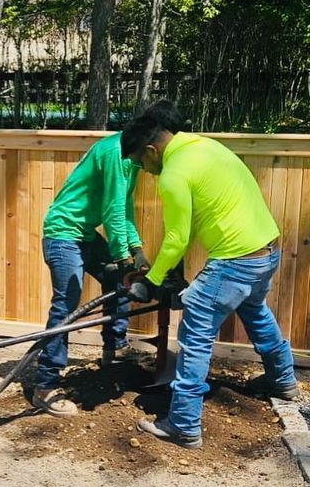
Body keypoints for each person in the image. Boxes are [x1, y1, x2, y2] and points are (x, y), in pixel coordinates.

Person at [121, 101, 299, 449]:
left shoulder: (173, 173)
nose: (145, 170)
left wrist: (150, 280)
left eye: (141, 162)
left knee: (195, 334)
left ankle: (184, 424)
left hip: (234, 260)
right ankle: (283, 381)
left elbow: (176, 238)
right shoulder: (206, 146)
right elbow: (187, 231)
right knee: (256, 311)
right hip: (267, 249)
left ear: (152, 150)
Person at [32, 131, 149, 418]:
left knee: (116, 280)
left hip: (83, 235)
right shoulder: (113, 153)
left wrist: (136, 249)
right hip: (62, 234)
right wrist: (122, 256)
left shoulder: (130, 161)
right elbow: (111, 210)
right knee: (66, 305)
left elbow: (124, 208)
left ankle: (115, 349)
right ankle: (45, 386)